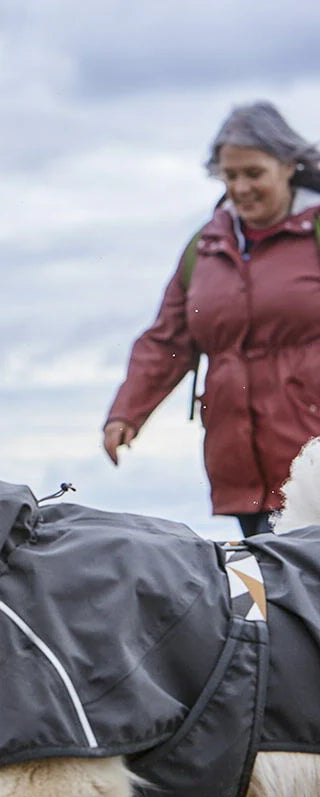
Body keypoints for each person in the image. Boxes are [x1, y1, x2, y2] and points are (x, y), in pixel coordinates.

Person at [103, 101, 320, 537]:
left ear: (288, 166)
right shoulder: (205, 248)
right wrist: (127, 412)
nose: (241, 187)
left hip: (314, 463)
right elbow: (168, 340)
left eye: (253, 173)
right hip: (244, 470)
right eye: (229, 175)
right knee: (273, 597)